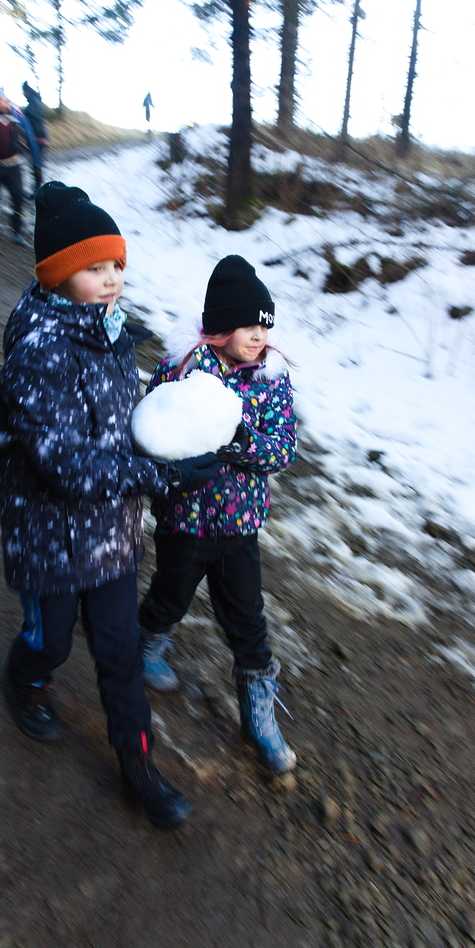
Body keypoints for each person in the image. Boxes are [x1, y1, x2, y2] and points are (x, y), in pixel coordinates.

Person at [0, 181, 219, 828]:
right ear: (58, 274)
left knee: (120, 652)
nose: (112, 278)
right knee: (51, 638)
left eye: (117, 264)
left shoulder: (110, 333)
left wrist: (182, 430)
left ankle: (138, 767)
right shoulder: (38, 355)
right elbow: (63, 463)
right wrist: (160, 475)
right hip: (50, 537)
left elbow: (121, 425)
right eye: (94, 268)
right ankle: (26, 676)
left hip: (110, 533)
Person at [139, 254, 299, 774]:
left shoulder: (271, 380)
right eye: (249, 326)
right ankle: (148, 644)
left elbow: (283, 449)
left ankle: (257, 706)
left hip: (239, 525)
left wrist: (241, 442)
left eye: (265, 327)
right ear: (221, 327)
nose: (259, 337)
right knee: (171, 593)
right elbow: (152, 429)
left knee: (248, 618)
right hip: (184, 518)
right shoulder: (182, 370)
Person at [0, 87, 37, 246]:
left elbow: (28, 137)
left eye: (4, 100)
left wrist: (35, 160)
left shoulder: (17, 117)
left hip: (14, 166)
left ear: (8, 102)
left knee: (17, 199)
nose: (1, 103)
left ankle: (17, 232)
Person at [22, 81, 50, 196]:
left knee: (36, 164)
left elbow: (32, 115)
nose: (23, 94)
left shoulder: (33, 101)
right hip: (40, 134)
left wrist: (23, 113)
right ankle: (38, 189)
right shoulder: (36, 100)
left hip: (37, 136)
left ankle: (38, 190)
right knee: (36, 163)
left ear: (26, 91)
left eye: (23, 92)